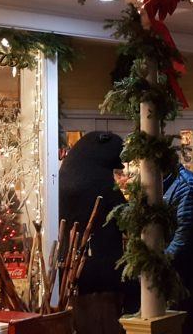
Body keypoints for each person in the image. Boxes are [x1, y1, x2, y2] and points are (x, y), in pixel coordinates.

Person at [58, 132, 137, 334]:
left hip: (73, 266)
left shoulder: (69, 172)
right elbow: (125, 215)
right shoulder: (98, 179)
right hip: (102, 267)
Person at [164, 151, 193, 334]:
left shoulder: (188, 185)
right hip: (172, 264)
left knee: (184, 315)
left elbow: (185, 234)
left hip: (183, 266)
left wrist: (162, 260)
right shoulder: (163, 185)